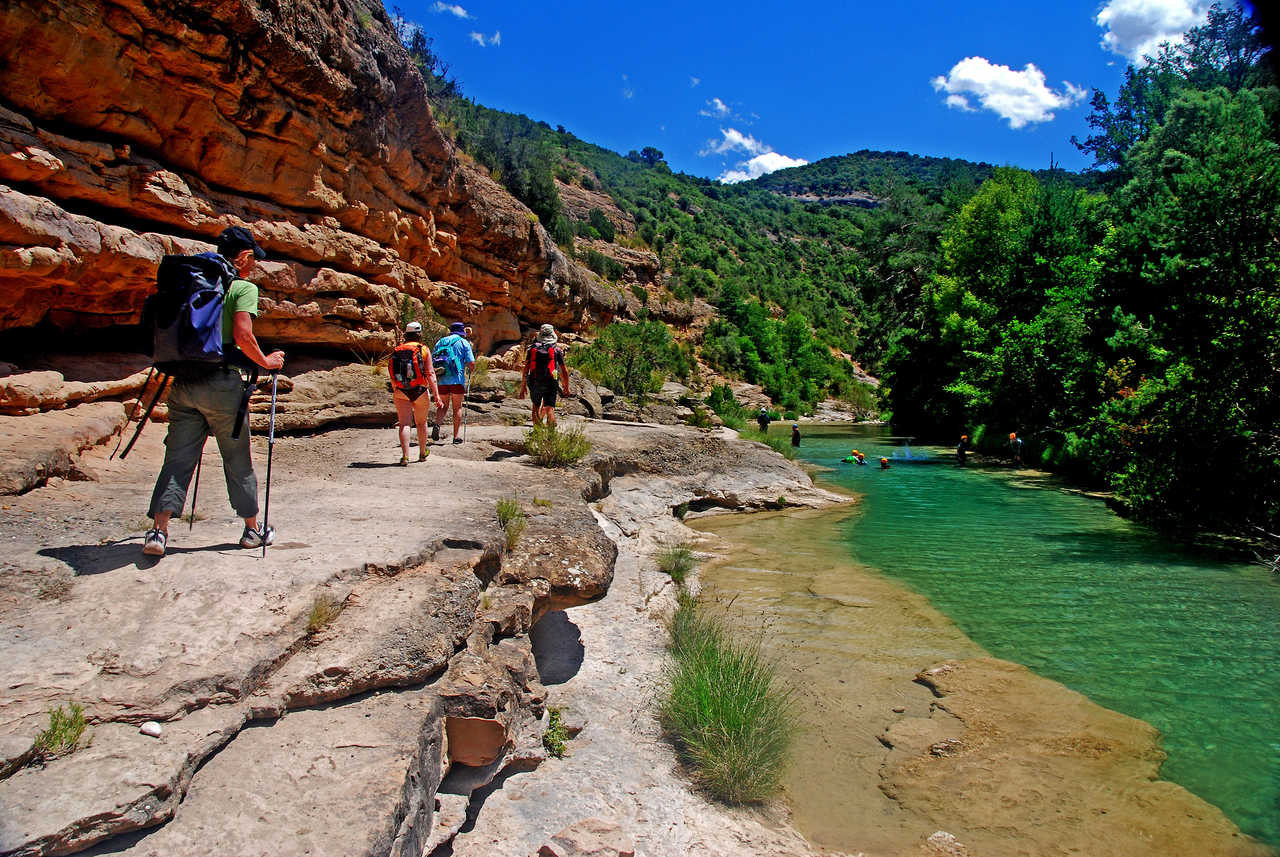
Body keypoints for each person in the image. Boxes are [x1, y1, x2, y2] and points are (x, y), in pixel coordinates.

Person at [142, 226, 285, 558]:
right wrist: (266, 361)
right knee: (237, 459)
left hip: (183, 382)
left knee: (176, 459)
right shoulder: (242, 287)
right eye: (253, 259)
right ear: (244, 257)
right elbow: (242, 332)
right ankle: (252, 530)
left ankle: (158, 532)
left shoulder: (191, 282)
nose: (254, 266)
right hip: (223, 385)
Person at [389, 321, 443, 466]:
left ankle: (405, 456)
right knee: (421, 423)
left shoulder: (397, 349)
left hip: (401, 390)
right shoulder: (423, 349)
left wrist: (396, 388)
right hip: (419, 389)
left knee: (404, 424)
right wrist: (436, 395)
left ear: (406, 334)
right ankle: (422, 453)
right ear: (419, 334)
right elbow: (431, 373)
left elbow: (392, 373)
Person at [519, 323, 571, 427]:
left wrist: (523, 386)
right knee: (550, 408)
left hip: (534, 380)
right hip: (551, 381)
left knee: (535, 407)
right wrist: (566, 386)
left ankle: (537, 432)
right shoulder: (557, 350)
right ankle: (550, 436)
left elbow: (526, 368)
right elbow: (564, 370)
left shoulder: (532, 349)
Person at [432, 321, 475, 444]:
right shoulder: (463, 342)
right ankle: (456, 437)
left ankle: (437, 424)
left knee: (443, 405)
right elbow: (471, 363)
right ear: (461, 332)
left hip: (441, 379)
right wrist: (471, 368)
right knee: (457, 407)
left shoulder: (440, 342)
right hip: (457, 380)